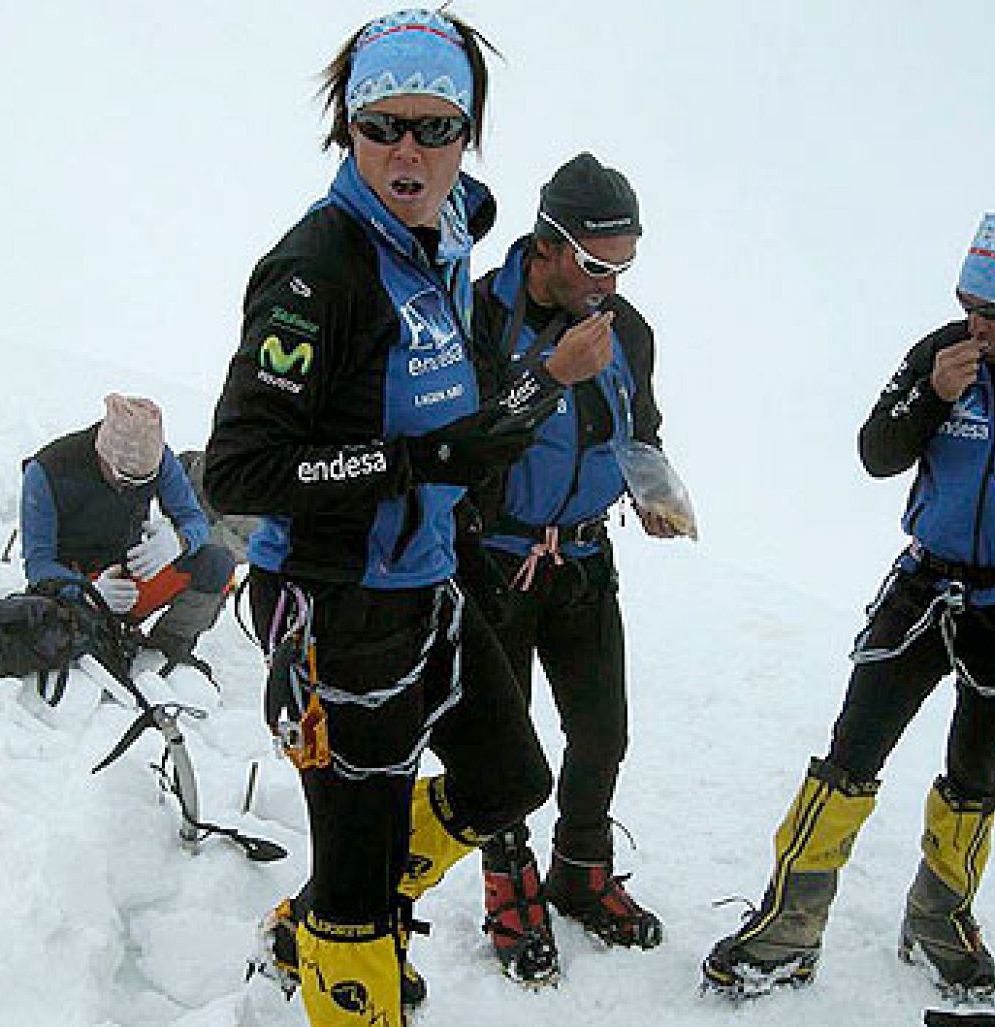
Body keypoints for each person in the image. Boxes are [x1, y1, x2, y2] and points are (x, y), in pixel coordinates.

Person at [203, 10, 612, 1025]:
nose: (407, 153)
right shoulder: (317, 271)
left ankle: (323, 927)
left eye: (436, 128)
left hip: (425, 578)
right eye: (382, 126)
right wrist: (410, 464)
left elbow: (460, 418)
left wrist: (539, 389)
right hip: (336, 602)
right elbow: (240, 470)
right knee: (358, 879)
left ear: (468, 134)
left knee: (508, 780)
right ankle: (344, 945)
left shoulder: (448, 233)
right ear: (347, 127)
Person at [702, 214, 995, 1001]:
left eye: (993, 312)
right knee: (851, 754)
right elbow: (876, 452)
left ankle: (939, 916)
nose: (975, 324)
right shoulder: (940, 355)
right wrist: (934, 396)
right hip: (922, 587)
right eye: (966, 305)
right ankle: (789, 924)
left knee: (976, 776)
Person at [459, 153, 681, 985]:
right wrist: (550, 376)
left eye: (624, 265)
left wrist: (654, 490)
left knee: (602, 730)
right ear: (547, 243)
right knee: (503, 741)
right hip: (495, 556)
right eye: (595, 263)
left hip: (584, 556)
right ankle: (507, 881)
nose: (608, 285)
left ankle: (581, 872)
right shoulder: (480, 312)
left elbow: (640, 428)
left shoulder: (629, 330)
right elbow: (466, 435)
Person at [20, 394, 236, 673]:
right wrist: (87, 592)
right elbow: (38, 564)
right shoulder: (48, 471)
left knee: (216, 563)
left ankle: (164, 650)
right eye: (126, 479)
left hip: (132, 579)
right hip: (74, 592)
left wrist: (179, 542)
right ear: (103, 456)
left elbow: (194, 520)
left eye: (144, 481)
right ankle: (101, 640)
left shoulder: (160, 458)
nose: (133, 488)